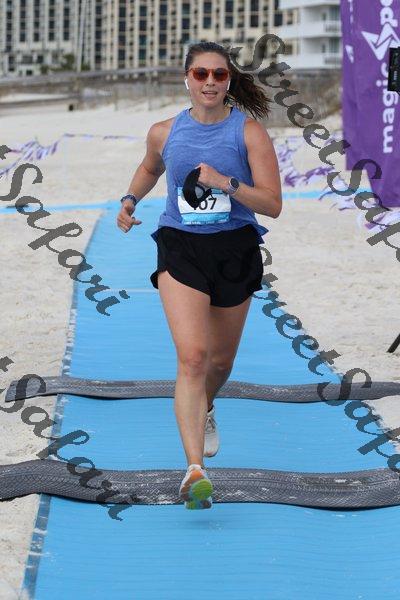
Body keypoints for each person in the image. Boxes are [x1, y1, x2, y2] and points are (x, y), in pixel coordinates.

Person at [117, 41, 282, 510]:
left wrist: (225, 182)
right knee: (192, 357)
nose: (210, 81)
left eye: (219, 74)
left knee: (220, 364)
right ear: (186, 79)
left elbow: (273, 204)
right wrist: (129, 200)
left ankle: (206, 406)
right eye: (201, 73)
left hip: (235, 250)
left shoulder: (248, 133)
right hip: (180, 246)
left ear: (229, 81)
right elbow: (150, 168)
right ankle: (194, 470)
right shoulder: (164, 131)